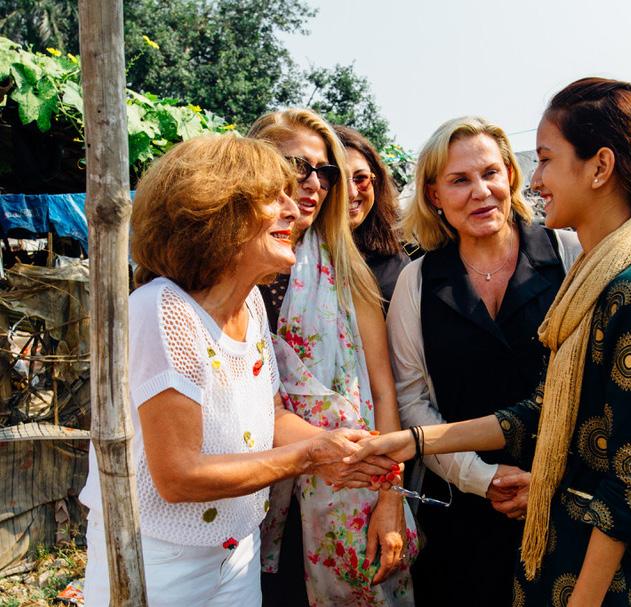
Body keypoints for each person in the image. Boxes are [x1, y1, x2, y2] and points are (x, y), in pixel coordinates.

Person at [353, 78, 631, 607]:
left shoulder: (621, 282)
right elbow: (546, 408)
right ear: (434, 195)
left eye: (544, 160)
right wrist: (416, 444)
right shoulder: (600, 276)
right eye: (459, 179)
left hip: (600, 571)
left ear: (600, 168)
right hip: (520, 533)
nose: (535, 179)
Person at [80, 135, 393, 606]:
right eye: (274, 198)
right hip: (160, 560)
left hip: (237, 551)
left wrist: (344, 448)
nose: (293, 210)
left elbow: (271, 416)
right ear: (216, 210)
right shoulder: (163, 310)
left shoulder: (249, 305)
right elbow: (180, 475)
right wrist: (311, 456)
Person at [386, 115, 580, 607]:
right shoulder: (418, 280)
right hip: (459, 513)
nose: (480, 192)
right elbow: (412, 398)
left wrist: (549, 480)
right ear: (434, 195)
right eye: (459, 180)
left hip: (563, 505)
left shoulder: (568, 254)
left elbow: (597, 388)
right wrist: (480, 477)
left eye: (490, 173)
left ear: (510, 175)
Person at [247, 109, 417, 607]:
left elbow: (383, 391)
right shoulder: (229, 269)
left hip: (347, 487)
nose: (314, 183)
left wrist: (390, 497)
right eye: (297, 165)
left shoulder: (347, 267)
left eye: (324, 172)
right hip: (249, 490)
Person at [334, 125, 410, 311]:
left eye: (361, 178)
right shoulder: (301, 260)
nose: (351, 192)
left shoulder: (405, 251)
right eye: (338, 180)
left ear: (376, 181)